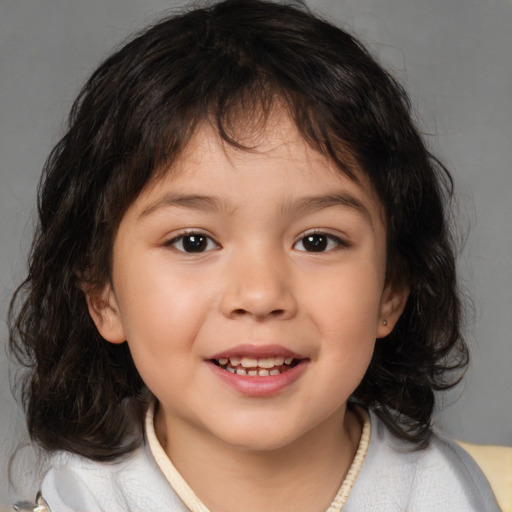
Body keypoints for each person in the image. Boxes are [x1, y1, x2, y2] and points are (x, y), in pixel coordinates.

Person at [8, 0, 501, 510]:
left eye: (317, 241)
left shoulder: (446, 492)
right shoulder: (77, 499)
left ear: (392, 289)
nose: (261, 295)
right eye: (193, 241)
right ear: (104, 296)